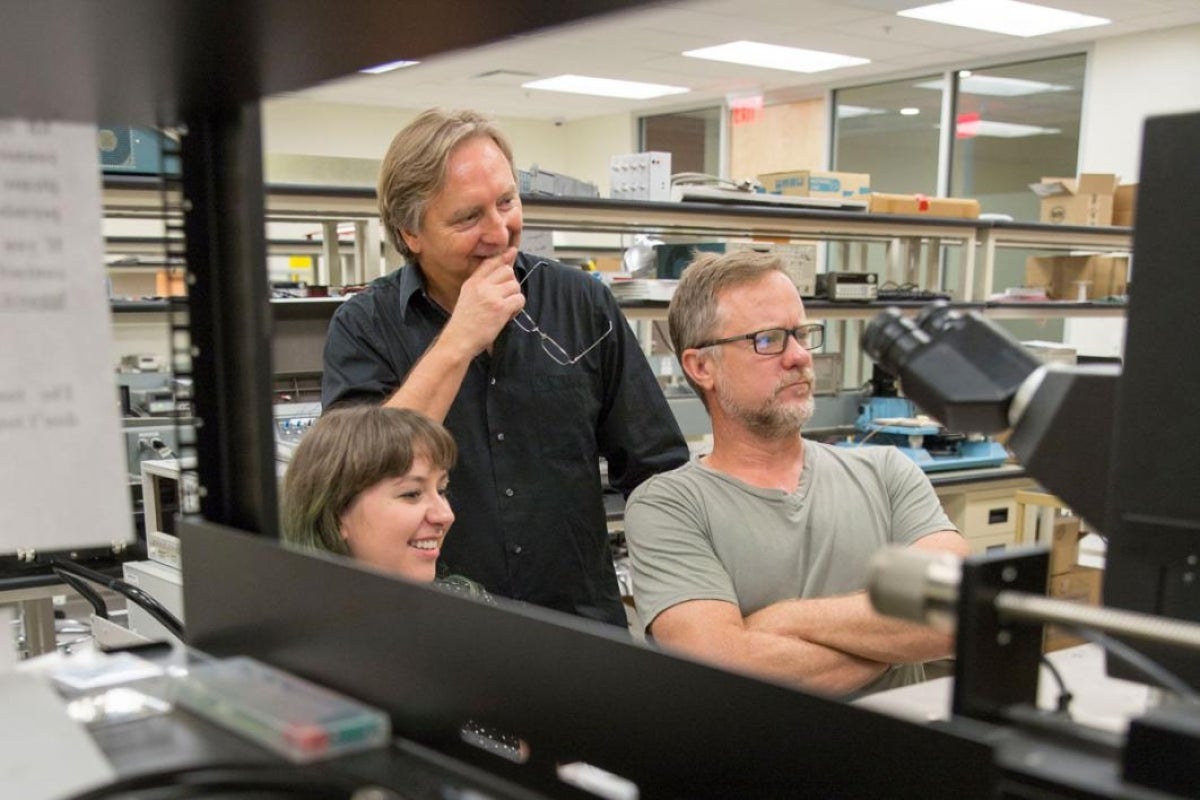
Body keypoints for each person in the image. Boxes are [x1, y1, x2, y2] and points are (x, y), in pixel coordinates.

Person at [321, 108, 689, 626]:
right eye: (468, 217)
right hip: (434, 627)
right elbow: (355, 483)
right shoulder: (364, 328)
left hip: (580, 627)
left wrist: (679, 606)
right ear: (410, 233)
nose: (499, 232)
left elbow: (657, 470)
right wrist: (459, 340)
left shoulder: (582, 304)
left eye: (507, 202)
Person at [623, 250, 969, 697]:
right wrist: (893, 640)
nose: (800, 357)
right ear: (701, 366)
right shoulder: (668, 507)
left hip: (898, 757)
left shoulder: (885, 472)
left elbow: (958, 613)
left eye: (802, 334)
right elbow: (723, 668)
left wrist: (784, 620)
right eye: (768, 340)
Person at [281, 404, 486, 600]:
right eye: (412, 494)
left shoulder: (468, 611)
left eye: (441, 490)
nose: (445, 515)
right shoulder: (286, 630)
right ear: (335, 514)